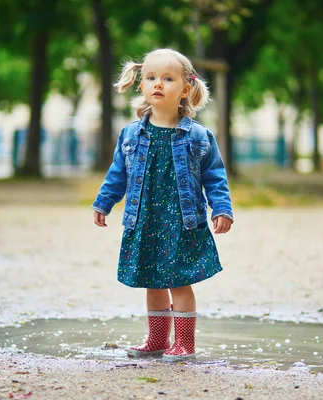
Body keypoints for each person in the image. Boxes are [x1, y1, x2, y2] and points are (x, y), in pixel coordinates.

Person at [92, 48, 233, 362]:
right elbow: (118, 173)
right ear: (141, 85)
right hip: (145, 219)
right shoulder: (131, 135)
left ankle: (184, 343)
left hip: (182, 222)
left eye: (168, 79)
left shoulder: (199, 137)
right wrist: (104, 203)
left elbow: (215, 175)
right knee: (151, 282)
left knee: (180, 281)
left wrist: (221, 208)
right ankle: (157, 339)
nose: (158, 84)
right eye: (151, 78)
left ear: (185, 88)